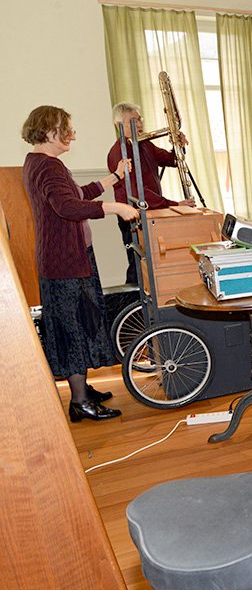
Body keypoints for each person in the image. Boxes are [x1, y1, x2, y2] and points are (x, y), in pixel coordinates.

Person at [22, 105, 139, 421]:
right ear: (49, 132)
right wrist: (114, 208)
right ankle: (80, 402)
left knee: (81, 322)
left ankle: (83, 391)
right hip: (65, 262)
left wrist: (114, 177)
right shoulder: (48, 167)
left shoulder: (41, 163)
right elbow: (69, 207)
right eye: (66, 129)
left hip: (68, 258)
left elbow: (77, 194)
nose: (72, 135)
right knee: (73, 328)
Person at [107, 103, 195, 284]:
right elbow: (138, 192)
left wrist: (177, 147)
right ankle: (131, 308)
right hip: (132, 218)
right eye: (134, 121)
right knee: (137, 265)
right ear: (119, 125)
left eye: (140, 120)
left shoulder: (145, 144)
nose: (139, 125)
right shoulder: (117, 153)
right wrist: (174, 204)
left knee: (152, 262)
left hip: (151, 214)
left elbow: (171, 160)